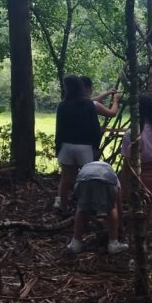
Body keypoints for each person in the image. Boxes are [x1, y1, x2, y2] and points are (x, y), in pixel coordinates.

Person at [121, 95, 152, 268]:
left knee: (139, 216)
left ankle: (138, 256)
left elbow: (127, 162)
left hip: (139, 177)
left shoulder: (131, 134)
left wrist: (124, 183)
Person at [54, 74, 101, 213]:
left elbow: (59, 129)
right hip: (85, 147)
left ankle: (63, 207)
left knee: (66, 179)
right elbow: (95, 127)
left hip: (67, 146)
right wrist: (96, 146)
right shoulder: (88, 104)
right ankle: (87, 208)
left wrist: (58, 148)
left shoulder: (63, 105)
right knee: (88, 179)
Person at [67, 161, 128, 255]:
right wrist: (120, 227)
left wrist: (94, 220)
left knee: (81, 207)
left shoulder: (87, 167)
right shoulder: (115, 178)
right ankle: (113, 243)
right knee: (112, 207)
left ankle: (76, 243)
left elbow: (87, 207)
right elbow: (118, 206)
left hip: (83, 179)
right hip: (106, 180)